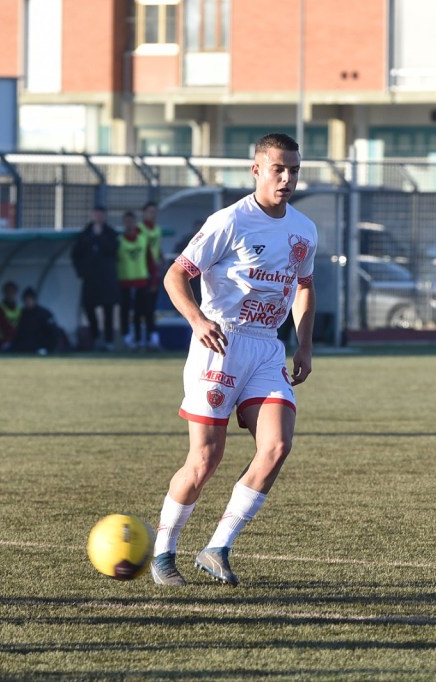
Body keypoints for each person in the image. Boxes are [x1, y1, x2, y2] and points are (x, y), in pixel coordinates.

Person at [150, 132, 318, 587]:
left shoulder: (305, 229)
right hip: (221, 346)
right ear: (257, 170)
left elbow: (304, 286)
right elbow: (175, 276)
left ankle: (218, 546)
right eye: (278, 168)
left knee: (277, 447)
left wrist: (303, 344)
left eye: (294, 169)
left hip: (267, 347)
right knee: (204, 460)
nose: (287, 177)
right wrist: (196, 320)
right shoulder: (229, 221)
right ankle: (164, 553)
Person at [71, 206, 119, 350]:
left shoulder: (110, 233)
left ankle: (109, 340)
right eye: (96, 215)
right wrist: (81, 272)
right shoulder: (85, 234)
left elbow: (113, 250)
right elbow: (75, 255)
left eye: (101, 215)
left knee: (108, 309)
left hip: (107, 279)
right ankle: (95, 337)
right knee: (89, 307)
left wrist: (100, 238)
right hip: (90, 278)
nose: (98, 218)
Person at [116, 210, 155, 350]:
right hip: (125, 281)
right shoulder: (119, 240)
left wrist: (153, 279)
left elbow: (149, 260)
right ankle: (127, 338)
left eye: (131, 221)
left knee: (142, 311)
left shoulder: (142, 239)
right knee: (125, 312)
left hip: (141, 281)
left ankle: (141, 339)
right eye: (126, 221)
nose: (129, 224)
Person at [139, 201, 164, 349]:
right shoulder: (140, 229)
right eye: (149, 212)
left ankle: (151, 338)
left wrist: (161, 259)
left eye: (154, 212)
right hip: (143, 273)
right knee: (143, 307)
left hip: (154, 273)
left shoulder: (157, 229)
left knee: (151, 306)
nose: (152, 215)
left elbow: (157, 247)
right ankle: (144, 338)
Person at [12, 287, 63, 354]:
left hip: (43, 347)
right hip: (26, 348)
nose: (27, 302)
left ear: (34, 300)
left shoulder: (44, 314)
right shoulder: (22, 314)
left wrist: (50, 348)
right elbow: (19, 333)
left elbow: (54, 332)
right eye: (25, 300)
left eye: (29, 299)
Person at [0, 281, 22, 351]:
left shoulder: (19, 309)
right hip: (3, 342)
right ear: (4, 293)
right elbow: (5, 328)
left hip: (16, 340)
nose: (10, 295)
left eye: (13, 292)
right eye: (8, 292)